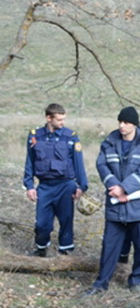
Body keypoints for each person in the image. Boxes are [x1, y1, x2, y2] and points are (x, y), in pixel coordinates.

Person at [84, 106, 140, 295]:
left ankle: (137, 281)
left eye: (126, 122)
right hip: (116, 206)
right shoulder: (108, 143)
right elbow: (102, 165)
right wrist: (115, 187)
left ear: (134, 124)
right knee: (109, 246)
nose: (121, 126)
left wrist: (125, 188)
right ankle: (101, 283)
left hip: (139, 207)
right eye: (120, 121)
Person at [23, 103, 89, 257]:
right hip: (45, 186)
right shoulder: (35, 136)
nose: (62, 123)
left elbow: (78, 164)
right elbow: (29, 162)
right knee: (41, 223)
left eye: (63, 119)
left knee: (66, 221)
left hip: (66, 185)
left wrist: (81, 186)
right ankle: (41, 250)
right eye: (59, 120)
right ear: (48, 118)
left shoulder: (71, 137)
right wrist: (29, 186)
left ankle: (66, 254)